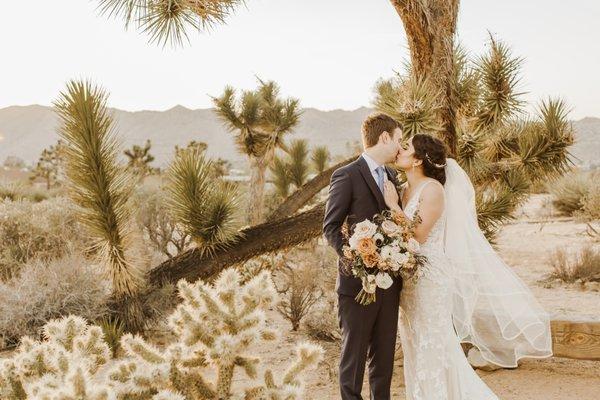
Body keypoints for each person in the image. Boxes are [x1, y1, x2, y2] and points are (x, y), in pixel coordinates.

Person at [383, 133, 553, 399]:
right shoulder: (404, 189)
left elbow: (417, 236)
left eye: (406, 148)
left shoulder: (433, 190)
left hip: (430, 278)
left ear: (417, 160)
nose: (400, 151)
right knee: (414, 342)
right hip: (409, 278)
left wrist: (392, 205)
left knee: (433, 342)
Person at [323, 113, 403, 400]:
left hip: (390, 284)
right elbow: (330, 227)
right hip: (357, 285)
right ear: (384, 138)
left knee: (383, 362)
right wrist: (356, 259)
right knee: (353, 360)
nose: (399, 148)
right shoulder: (346, 175)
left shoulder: (393, 177)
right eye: (398, 141)